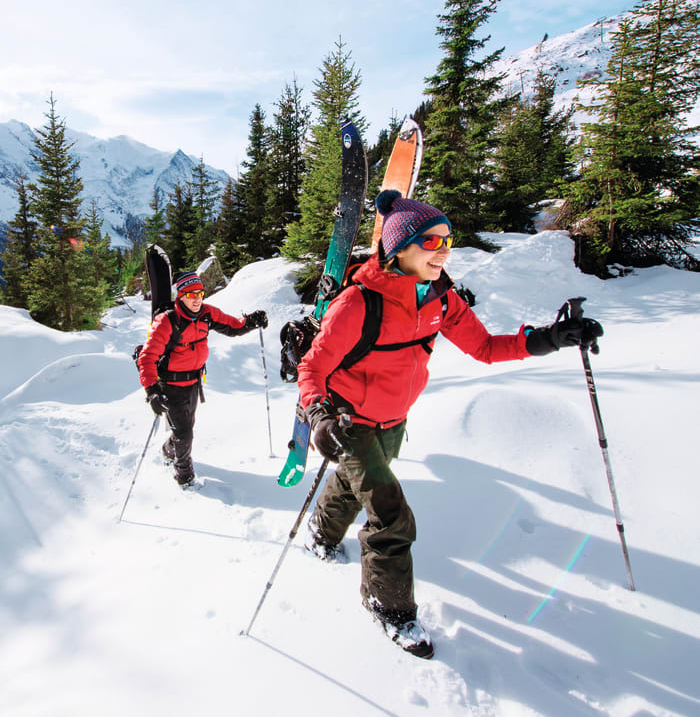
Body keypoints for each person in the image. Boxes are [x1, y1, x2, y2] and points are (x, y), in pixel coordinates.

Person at [297, 190, 602, 659]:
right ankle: (390, 608)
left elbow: (485, 347)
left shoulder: (440, 298)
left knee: (354, 482)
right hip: (348, 420)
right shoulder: (359, 304)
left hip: (394, 420)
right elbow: (312, 367)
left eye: (448, 239)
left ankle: (320, 533)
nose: (443, 249)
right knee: (390, 516)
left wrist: (550, 338)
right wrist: (318, 414)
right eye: (431, 240)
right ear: (400, 249)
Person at [138, 271, 268, 487]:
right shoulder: (167, 321)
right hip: (170, 386)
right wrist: (152, 390)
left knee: (185, 427)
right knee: (185, 433)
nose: (197, 298)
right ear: (180, 296)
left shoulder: (207, 313)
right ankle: (185, 478)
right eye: (190, 294)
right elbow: (147, 357)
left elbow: (233, 326)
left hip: (193, 384)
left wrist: (251, 321)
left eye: (199, 292)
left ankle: (167, 451)